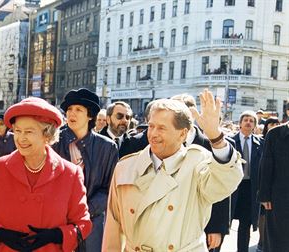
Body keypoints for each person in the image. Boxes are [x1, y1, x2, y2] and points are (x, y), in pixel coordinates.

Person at [103, 90, 243, 251]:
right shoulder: (126, 167)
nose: (153, 134)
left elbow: (226, 180)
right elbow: (113, 227)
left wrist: (216, 138)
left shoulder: (199, 164)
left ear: (183, 134)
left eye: (162, 128)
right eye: (151, 126)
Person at [0, 97, 92, 251]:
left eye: (29, 132)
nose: (21, 138)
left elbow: (83, 224)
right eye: (17, 131)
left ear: (47, 134)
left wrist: (57, 235)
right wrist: (0, 234)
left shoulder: (71, 174)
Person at [53, 88, 119, 252]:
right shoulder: (54, 142)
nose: (72, 114)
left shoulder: (107, 147)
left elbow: (110, 187)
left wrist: (85, 210)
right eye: (69, 109)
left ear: (90, 115)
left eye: (78, 110)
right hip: (58, 222)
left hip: (92, 222)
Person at [171, 93, 236, 252]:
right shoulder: (160, 142)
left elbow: (221, 188)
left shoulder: (211, 145)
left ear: (191, 113)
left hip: (202, 226)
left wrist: (217, 227)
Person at [231, 111, 263, 252]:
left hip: (250, 188)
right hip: (231, 188)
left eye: (251, 120)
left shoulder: (260, 143)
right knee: (224, 223)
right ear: (240, 123)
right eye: (245, 120)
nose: (248, 122)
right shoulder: (229, 142)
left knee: (245, 225)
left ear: (255, 125)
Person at [259, 123, 289, 251]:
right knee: (278, 241)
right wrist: (264, 196)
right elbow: (266, 165)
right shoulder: (275, 134)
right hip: (280, 199)